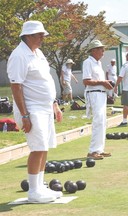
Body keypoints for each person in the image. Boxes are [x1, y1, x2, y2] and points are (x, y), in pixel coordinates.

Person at [7, 20, 63, 203]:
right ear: (29, 35)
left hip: (45, 107)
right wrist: (24, 115)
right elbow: (16, 86)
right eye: (39, 35)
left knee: (45, 146)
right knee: (38, 147)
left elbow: (45, 80)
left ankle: (40, 187)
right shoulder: (19, 55)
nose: (42, 38)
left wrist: (54, 105)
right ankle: (33, 191)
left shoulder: (38, 53)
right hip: (31, 108)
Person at [83, 40, 113, 160]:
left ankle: (99, 149)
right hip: (94, 94)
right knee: (98, 121)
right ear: (93, 50)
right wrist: (103, 82)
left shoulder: (98, 63)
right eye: (101, 49)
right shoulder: (87, 62)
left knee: (102, 121)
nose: (103, 51)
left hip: (101, 94)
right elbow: (86, 81)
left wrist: (106, 84)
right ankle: (92, 151)